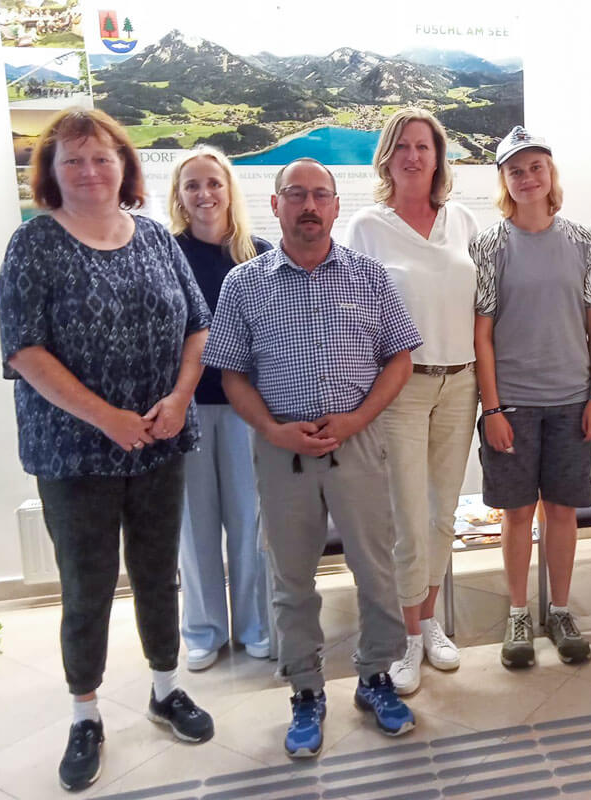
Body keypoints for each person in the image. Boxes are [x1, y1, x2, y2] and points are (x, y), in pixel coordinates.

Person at [0, 108, 215, 793]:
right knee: (87, 586)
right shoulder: (33, 244)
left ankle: (165, 688)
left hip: (159, 440)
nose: (89, 171)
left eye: (101, 158)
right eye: (73, 160)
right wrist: (106, 418)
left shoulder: (154, 237)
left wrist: (178, 399)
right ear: (51, 173)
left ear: (124, 165)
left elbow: (198, 326)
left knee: (159, 571)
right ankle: (84, 714)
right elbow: (24, 351)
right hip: (72, 453)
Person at [202, 157, 421, 757]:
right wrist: (273, 431)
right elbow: (231, 373)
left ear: (335, 206)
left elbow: (400, 358)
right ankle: (305, 688)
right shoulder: (243, 283)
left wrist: (357, 419)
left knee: (376, 571)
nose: (308, 206)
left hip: (358, 444)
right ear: (274, 205)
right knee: (292, 578)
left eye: (320, 195)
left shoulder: (369, 277)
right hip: (284, 455)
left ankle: (376, 677)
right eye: (295, 194)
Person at [471, 127, 591, 668]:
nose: (527, 177)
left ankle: (559, 609)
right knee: (516, 514)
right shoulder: (488, 246)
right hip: (512, 405)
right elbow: (482, 337)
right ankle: (518, 613)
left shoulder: (583, 242)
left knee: (562, 512)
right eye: (516, 170)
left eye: (536, 166)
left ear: (550, 173)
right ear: (504, 181)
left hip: (571, 402)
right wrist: (491, 408)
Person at [345, 109, 478, 695]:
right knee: (406, 517)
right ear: (386, 157)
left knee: (442, 513)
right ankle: (406, 637)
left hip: (462, 383)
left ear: (438, 156)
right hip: (400, 386)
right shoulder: (366, 227)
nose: (413, 156)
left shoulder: (463, 220)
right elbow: (350, 316)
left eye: (423, 146)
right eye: (402, 146)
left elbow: (484, 307)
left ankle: (430, 620)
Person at [167, 146, 272, 671]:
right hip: (185, 409)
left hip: (246, 408)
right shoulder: (165, 254)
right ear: (179, 196)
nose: (204, 194)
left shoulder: (260, 254)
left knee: (250, 524)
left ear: (230, 189)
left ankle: (256, 627)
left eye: (213, 183)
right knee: (195, 527)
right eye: (192, 185)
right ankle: (203, 631)